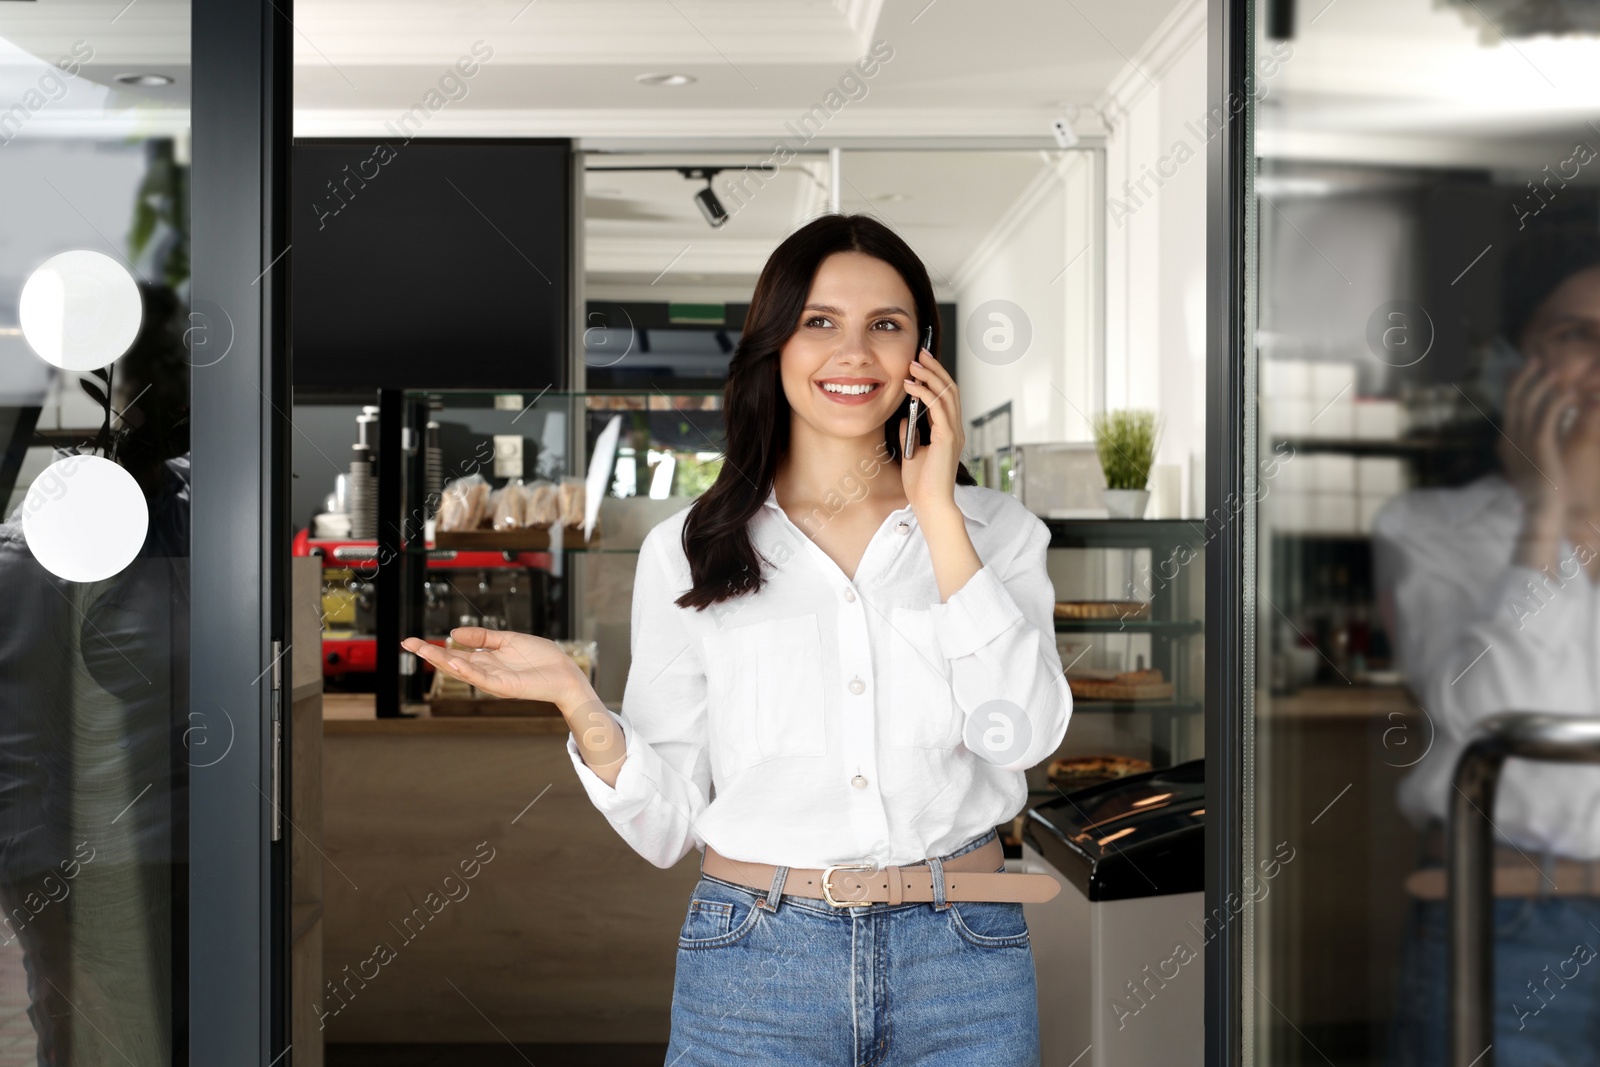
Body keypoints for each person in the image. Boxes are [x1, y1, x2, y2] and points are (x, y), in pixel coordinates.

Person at [404, 213, 1073, 1065]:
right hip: (755, 962)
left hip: (964, 956)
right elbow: (668, 824)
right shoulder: (686, 549)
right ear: (773, 346)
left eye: (887, 325)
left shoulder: (995, 531)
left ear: (925, 354)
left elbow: (1025, 731)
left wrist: (938, 511)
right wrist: (578, 701)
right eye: (819, 322)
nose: (854, 353)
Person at [1375, 225, 1600, 1066]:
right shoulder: (1433, 530)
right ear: (1512, 360)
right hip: (1513, 919)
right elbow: (1475, 711)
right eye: (1576, 335)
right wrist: (1547, 516)